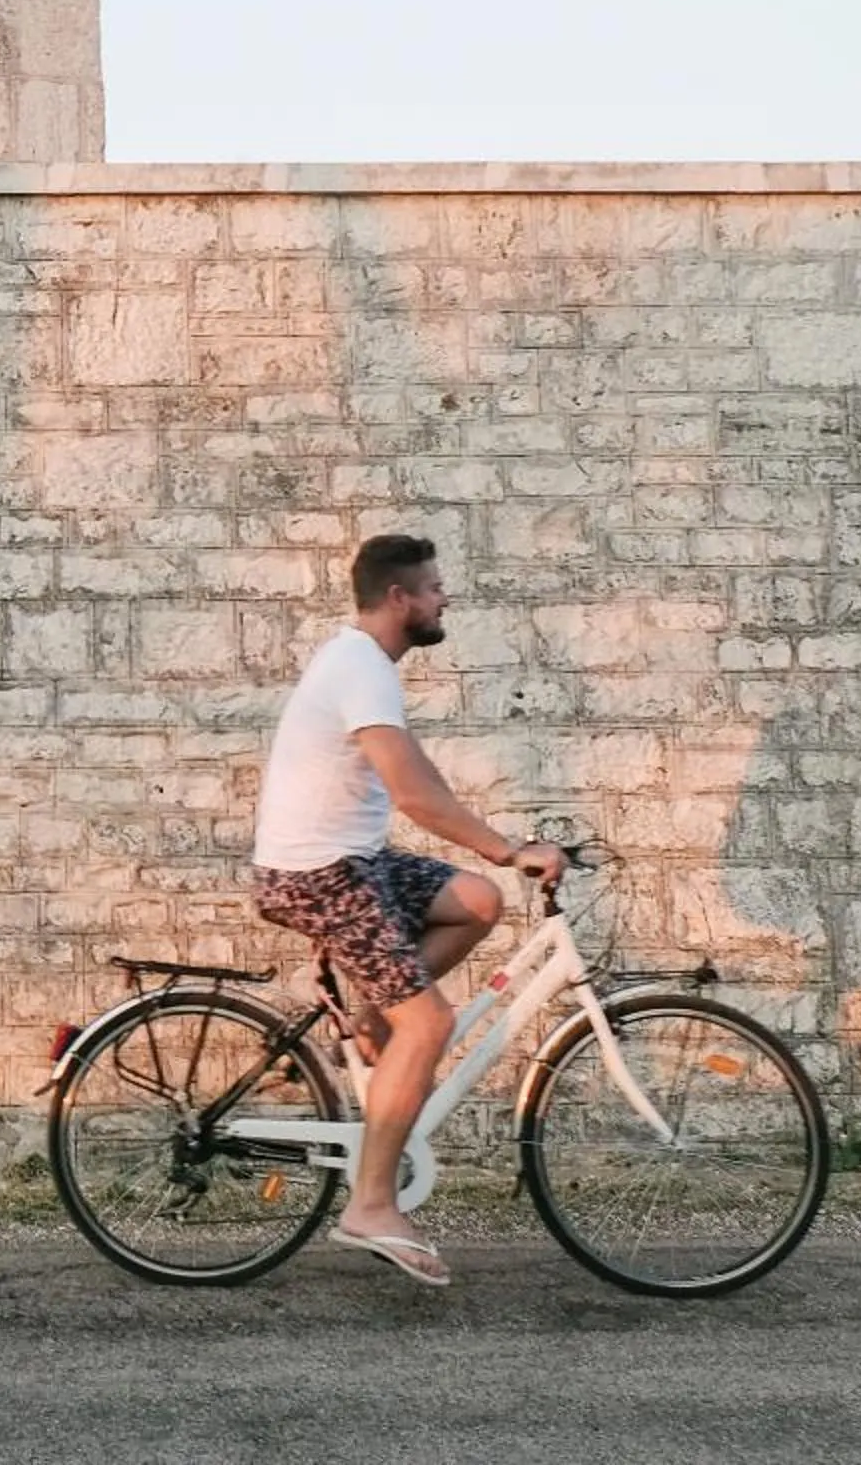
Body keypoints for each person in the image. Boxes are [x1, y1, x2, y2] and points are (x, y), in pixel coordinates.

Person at [249, 534, 564, 1289]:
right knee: (429, 1024)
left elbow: (417, 776)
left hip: (353, 858)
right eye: (433, 587)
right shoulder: (360, 666)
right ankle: (370, 1205)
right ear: (399, 598)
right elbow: (416, 795)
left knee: (477, 904)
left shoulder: (366, 667)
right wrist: (506, 846)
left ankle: (370, 1025)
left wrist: (494, 857)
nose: (443, 597)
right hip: (317, 872)